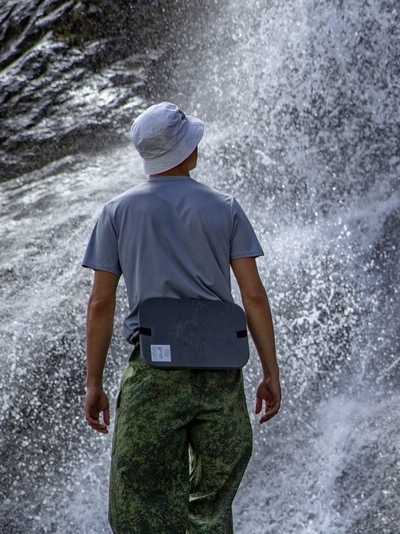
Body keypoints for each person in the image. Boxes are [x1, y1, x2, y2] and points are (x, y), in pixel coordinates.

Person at [80, 101, 282, 533]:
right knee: (209, 509)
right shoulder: (224, 207)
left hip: (154, 373)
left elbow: (100, 304)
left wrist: (93, 383)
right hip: (220, 372)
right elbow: (254, 296)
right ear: (187, 152)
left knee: (140, 504)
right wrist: (270, 371)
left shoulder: (117, 213)